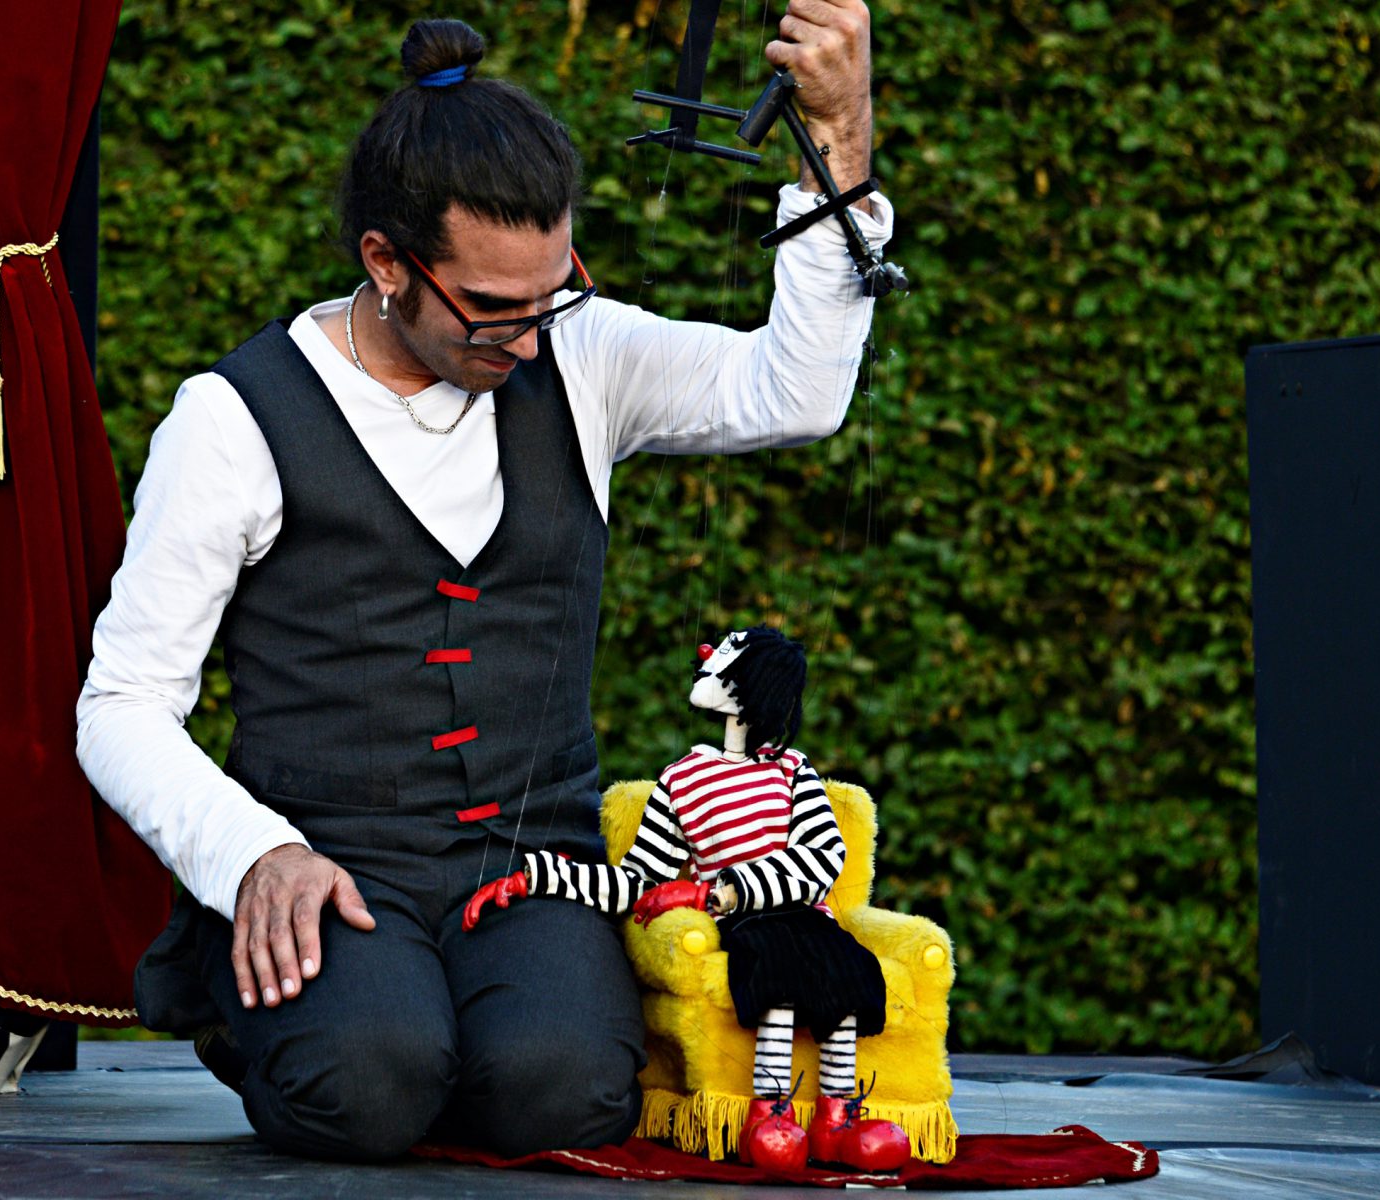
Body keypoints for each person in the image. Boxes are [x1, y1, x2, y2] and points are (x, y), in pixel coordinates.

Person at [77, 4, 894, 1163]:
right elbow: (119, 703)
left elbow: (795, 394)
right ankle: (285, 1011)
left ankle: (446, 1021)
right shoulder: (232, 418)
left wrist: (840, 142)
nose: (527, 335)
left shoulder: (583, 348)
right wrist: (252, 852)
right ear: (385, 263)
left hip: (534, 863)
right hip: (325, 859)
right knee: (367, 1084)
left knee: (560, 1096)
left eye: (551, 289)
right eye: (492, 308)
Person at [462, 627, 911, 1172]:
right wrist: (538, 877)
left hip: (800, 914)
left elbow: (821, 858)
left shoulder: (793, 770)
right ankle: (770, 1113)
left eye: (725, 653)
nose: (706, 656)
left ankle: (837, 1121)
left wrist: (716, 892)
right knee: (777, 989)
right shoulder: (684, 779)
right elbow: (635, 882)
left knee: (846, 983)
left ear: (753, 683)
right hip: (750, 927)